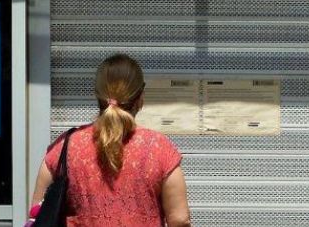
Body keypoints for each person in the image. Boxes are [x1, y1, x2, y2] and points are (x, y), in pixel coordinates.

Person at [30, 54, 191, 227]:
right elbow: (180, 220)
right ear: (140, 97)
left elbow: (37, 213)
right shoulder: (159, 148)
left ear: (97, 95)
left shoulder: (65, 146)